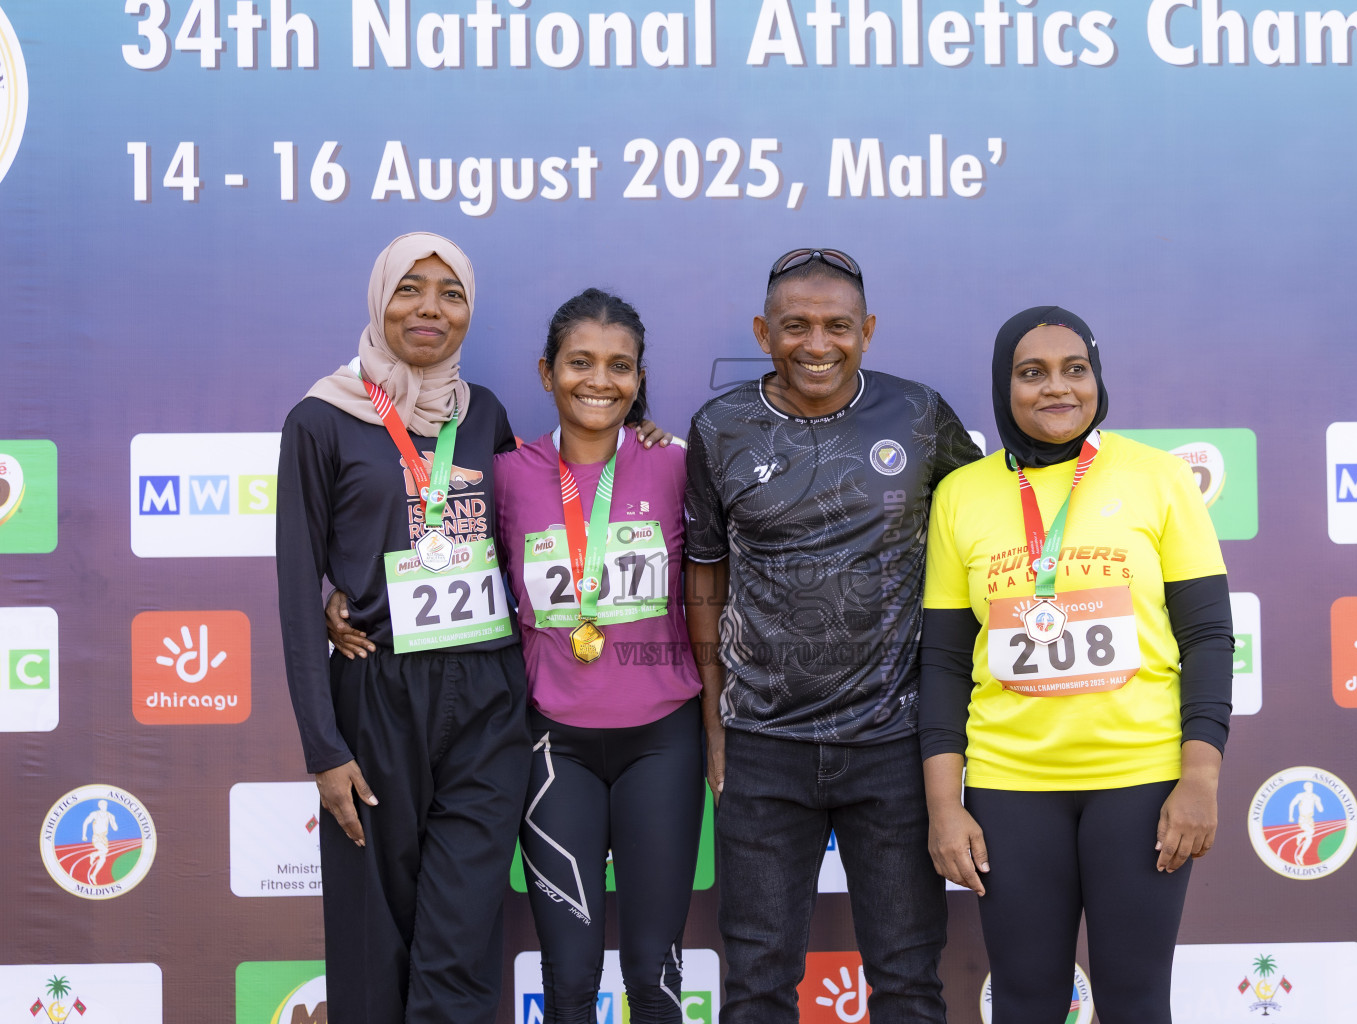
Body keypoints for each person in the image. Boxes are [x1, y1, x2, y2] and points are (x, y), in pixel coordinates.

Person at [327, 288, 703, 1024]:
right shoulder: (507, 473)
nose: (600, 381)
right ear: (546, 373)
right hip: (548, 743)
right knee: (568, 978)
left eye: (620, 366)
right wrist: (342, 597)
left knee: (655, 975)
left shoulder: (678, 467)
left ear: (639, 377)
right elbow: (431, 556)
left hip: (663, 740)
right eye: (580, 363)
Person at [685, 248, 981, 1023]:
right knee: (754, 986)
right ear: (763, 331)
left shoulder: (920, 414)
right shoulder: (718, 428)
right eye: (796, 326)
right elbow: (705, 579)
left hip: (895, 742)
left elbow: (986, 531)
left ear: (868, 331)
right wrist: (716, 723)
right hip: (762, 746)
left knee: (909, 982)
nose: (817, 343)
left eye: (837, 326)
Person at [919, 306, 1233, 1022]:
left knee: (1135, 998)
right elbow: (940, 663)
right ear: (1005, 386)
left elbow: (1209, 638)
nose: (1056, 388)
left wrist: (1200, 778)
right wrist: (944, 807)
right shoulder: (960, 495)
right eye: (1032, 374)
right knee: (1026, 999)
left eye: (1075, 370)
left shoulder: (1157, 479)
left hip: (1141, 782)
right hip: (1009, 787)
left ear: (1097, 378)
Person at [276, 232, 530, 1024]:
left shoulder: (483, 412)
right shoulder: (320, 418)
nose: (429, 308)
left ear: (468, 311)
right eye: (409, 289)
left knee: (461, 937)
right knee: (370, 941)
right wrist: (324, 746)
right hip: (377, 694)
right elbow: (293, 587)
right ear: (379, 298)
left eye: (450, 293)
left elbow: (535, 523)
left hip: (487, 695)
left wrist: (645, 439)